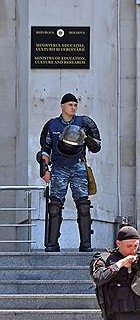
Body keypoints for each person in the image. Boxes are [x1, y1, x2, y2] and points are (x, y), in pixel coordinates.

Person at [36, 93, 101, 252]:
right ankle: (52, 244)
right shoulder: (52, 125)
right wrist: (44, 169)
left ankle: (86, 245)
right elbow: (45, 150)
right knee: (55, 206)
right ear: (62, 106)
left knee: (84, 206)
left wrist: (86, 138)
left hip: (78, 166)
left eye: (75, 104)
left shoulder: (84, 123)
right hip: (59, 167)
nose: (73, 107)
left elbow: (96, 147)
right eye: (70, 104)